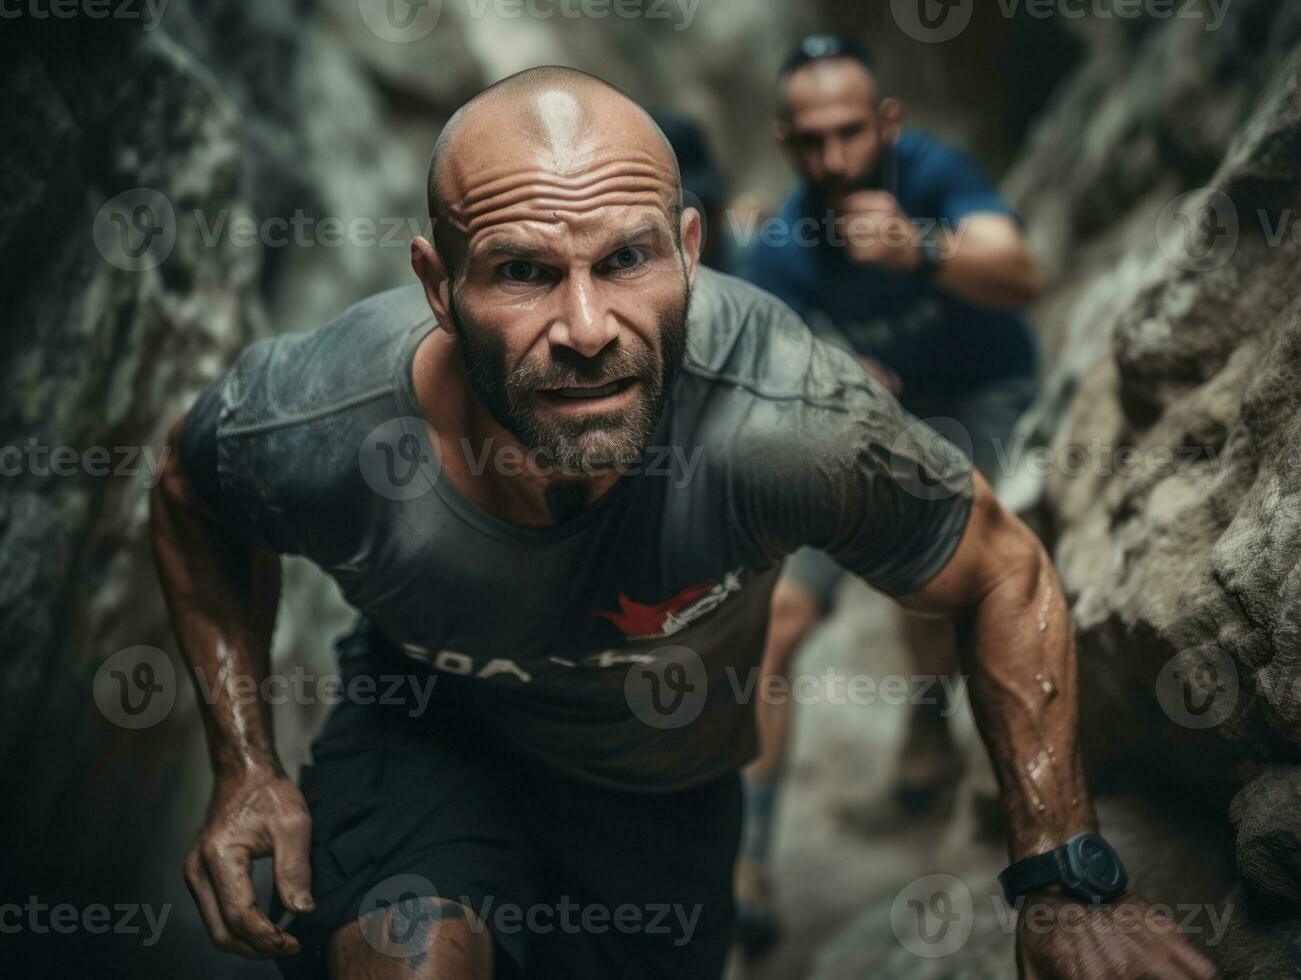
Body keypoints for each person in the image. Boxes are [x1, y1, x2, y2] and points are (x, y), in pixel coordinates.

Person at [149, 66, 1212, 980]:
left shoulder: (783, 422)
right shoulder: (322, 420)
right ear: (437, 283)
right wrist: (244, 762)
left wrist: (1063, 878)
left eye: (626, 260)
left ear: (688, 251)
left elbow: (998, 571)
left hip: (664, 786)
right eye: (522, 272)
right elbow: (189, 495)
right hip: (429, 729)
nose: (583, 328)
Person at [736, 34, 1044, 953]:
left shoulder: (934, 175)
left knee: (934, 573)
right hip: (867, 424)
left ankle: (922, 712)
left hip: (974, 402)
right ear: (786, 143)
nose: (834, 158)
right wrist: (826, 374)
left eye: (849, 134)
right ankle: (746, 852)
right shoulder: (779, 251)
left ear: (886, 125)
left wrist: (919, 250)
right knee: (776, 618)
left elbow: (1019, 271)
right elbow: (768, 372)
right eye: (812, 141)